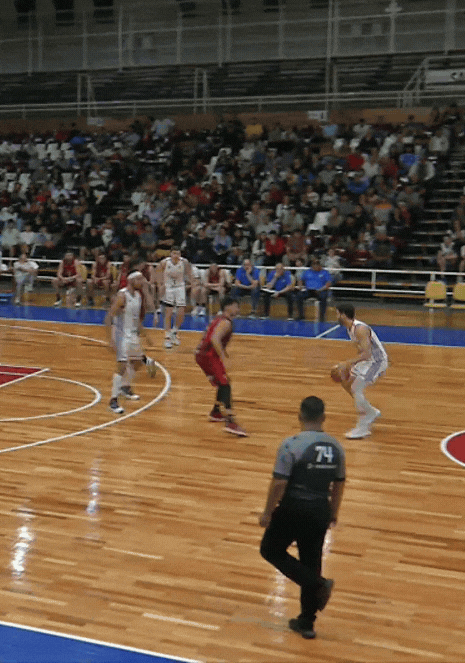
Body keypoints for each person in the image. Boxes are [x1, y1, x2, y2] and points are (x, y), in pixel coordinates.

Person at [258, 395, 345, 640]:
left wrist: (267, 512)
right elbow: (339, 484)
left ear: (299, 416)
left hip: (292, 508)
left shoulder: (291, 444)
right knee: (311, 560)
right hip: (320, 510)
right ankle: (307, 623)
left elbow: (279, 484)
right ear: (324, 418)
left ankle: (317, 584)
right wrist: (334, 513)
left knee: (270, 549)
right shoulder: (336, 447)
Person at [333, 303, 389, 439]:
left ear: (343, 315)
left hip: (377, 362)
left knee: (355, 387)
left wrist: (348, 363)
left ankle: (363, 427)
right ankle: (370, 411)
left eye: (337, 313)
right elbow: (361, 352)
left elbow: (367, 354)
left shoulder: (360, 329)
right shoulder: (350, 329)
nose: (336, 316)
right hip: (367, 362)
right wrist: (351, 367)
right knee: (346, 383)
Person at [105, 271, 157, 415]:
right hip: (121, 335)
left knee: (138, 362)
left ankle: (125, 387)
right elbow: (109, 317)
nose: (142, 281)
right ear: (131, 280)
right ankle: (113, 401)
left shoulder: (138, 296)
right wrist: (111, 339)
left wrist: (146, 335)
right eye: (139, 279)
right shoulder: (122, 296)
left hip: (132, 334)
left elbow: (136, 319)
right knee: (121, 367)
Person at [194, 296, 246, 436]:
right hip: (209, 356)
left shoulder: (220, 318)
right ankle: (231, 422)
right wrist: (224, 357)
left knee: (223, 382)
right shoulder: (226, 322)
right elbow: (215, 339)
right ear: (228, 307)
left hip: (202, 354)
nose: (238, 309)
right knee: (225, 384)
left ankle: (216, 412)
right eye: (236, 305)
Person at [156, 247, 194, 348]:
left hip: (180, 287)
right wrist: (160, 285)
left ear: (180, 254)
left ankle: (174, 331)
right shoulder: (164, 262)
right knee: (168, 312)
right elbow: (157, 272)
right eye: (174, 253)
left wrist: (192, 283)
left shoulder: (184, 262)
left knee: (181, 311)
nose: (176, 255)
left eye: (178, 253)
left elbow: (190, 274)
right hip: (168, 288)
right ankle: (167, 337)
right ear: (170, 254)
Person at [296, 257, 334, 322]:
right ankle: (301, 315)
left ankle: (322, 316)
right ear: (312, 265)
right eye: (314, 264)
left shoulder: (325, 272)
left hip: (320, 291)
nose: (316, 266)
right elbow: (300, 279)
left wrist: (321, 289)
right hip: (309, 290)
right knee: (299, 296)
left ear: (320, 265)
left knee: (323, 297)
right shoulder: (307, 272)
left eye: (317, 264)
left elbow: (328, 283)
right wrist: (300, 286)